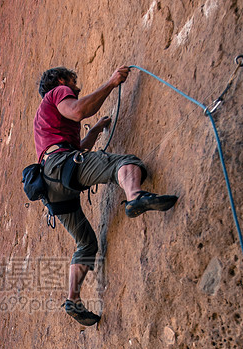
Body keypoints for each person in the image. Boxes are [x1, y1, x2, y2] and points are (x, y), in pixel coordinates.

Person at [33, 65, 178, 326]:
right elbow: (78, 111)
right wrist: (111, 83)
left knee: (87, 244)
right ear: (61, 80)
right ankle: (135, 196)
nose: (76, 88)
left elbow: (77, 147)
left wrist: (96, 130)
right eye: (73, 82)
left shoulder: (47, 120)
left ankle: (73, 299)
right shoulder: (58, 92)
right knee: (124, 162)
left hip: (51, 183)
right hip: (61, 166)